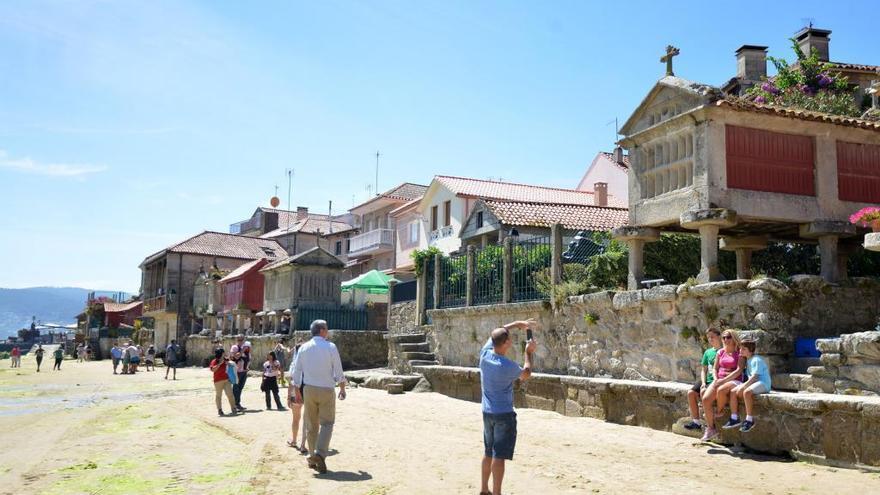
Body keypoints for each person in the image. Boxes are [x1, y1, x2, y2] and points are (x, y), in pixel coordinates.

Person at [478, 319, 537, 495]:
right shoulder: (507, 366)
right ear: (506, 343)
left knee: (488, 451)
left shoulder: (485, 354)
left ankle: (483, 489)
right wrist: (528, 352)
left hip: (487, 413)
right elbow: (526, 373)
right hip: (503, 414)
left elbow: (500, 330)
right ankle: (496, 493)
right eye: (509, 339)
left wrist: (518, 323)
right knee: (499, 456)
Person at [292, 320, 347, 474]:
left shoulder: (304, 347)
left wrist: (297, 391)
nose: (327, 331)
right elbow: (338, 370)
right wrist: (342, 388)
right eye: (327, 328)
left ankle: (312, 456)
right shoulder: (330, 347)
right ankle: (320, 454)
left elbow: (297, 371)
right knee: (327, 423)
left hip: (308, 389)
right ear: (322, 330)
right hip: (327, 390)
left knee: (311, 425)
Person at [700, 329, 746, 442]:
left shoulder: (739, 352)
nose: (725, 339)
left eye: (728, 337)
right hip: (719, 379)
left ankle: (719, 411)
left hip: (734, 380)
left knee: (721, 389)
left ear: (734, 338)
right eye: (724, 337)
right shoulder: (720, 352)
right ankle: (711, 429)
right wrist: (716, 379)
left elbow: (739, 370)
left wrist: (724, 380)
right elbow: (715, 368)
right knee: (705, 399)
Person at [723, 340, 772, 433]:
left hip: (763, 383)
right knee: (733, 391)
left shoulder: (756, 359)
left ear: (751, 350)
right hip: (754, 383)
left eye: (743, 349)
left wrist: (744, 386)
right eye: (740, 348)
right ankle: (734, 418)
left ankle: (749, 419)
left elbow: (755, 377)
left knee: (747, 392)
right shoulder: (748, 360)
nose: (740, 350)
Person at [684, 328, 722, 430]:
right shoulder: (708, 352)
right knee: (691, 393)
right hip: (707, 379)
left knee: (704, 393)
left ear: (719, 336)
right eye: (708, 337)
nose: (710, 339)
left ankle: (709, 424)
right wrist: (703, 382)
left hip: (716, 380)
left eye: (712, 337)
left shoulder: (723, 351)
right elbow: (703, 370)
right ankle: (696, 422)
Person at [287, 339, 307, 454]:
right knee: (307, 419)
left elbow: (291, 381)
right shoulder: (310, 364)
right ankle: (303, 444)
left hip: (295, 392)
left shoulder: (294, 364)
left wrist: (289, 396)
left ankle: (294, 440)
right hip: (308, 391)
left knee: (296, 418)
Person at [210, 348, 237, 416]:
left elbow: (232, 365)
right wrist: (219, 364)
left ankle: (233, 408)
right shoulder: (214, 361)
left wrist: (229, 363)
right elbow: (213, 370)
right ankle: (220, 410)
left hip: (226, 380)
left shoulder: (226, 360)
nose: (224, 354)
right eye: (223, 353)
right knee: (219, 396)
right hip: (218, 381)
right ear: (221, 354)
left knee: (230, 394)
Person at [230, 335, 248, 411]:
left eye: (242, 340)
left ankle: (238, 403)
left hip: (244, 371)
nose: (240, 341)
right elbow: (236, 357)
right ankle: (235, 404)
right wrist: (243, 350)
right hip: (236, 371)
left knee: (240, 388)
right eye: (239, 340)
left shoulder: (246, 348)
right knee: (236, 388)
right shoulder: (234, 347)